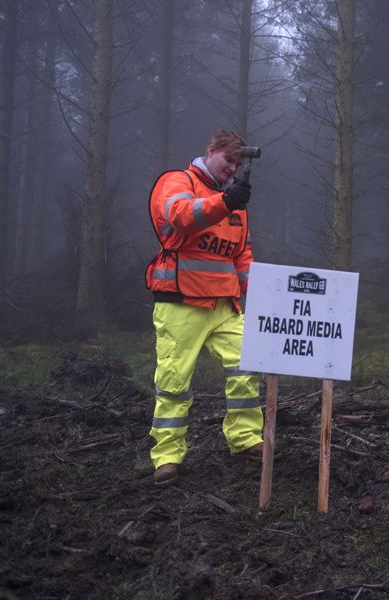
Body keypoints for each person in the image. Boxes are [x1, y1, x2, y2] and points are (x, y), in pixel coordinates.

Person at [145, 129, 263, 487]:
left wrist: (252, 292)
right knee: (174, 382)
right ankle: (167, 456)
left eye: (238, 164)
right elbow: (181, 216)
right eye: (228, 160)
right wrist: (225, 202)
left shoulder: (233, 201)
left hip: (225, 304)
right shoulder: (177, 182)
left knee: (247, 365)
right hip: (181, 301)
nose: (232, 168)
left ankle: (244, 440)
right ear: (210, 151)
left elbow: (241, 252)